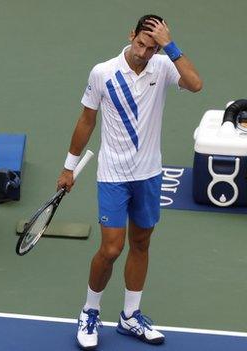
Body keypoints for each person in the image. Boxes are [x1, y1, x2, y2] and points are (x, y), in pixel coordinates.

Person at [56, 14, 203, 350]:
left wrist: (170, 46)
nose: (144, 53)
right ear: (131, 35)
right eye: (141, 44)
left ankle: (130, 316)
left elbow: (195, 84)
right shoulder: (103, 72)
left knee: (141, 244)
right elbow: (86, 120)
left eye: (152, 48)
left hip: (149, 174)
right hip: (113, 176)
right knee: (111, 248)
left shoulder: (164, 65)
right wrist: (68, 168)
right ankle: (90, 312)